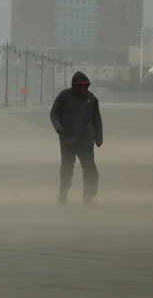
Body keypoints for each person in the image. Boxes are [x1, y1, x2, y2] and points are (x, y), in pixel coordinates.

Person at [50, 71, 103, 206]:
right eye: (81, 86)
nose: (84, 89)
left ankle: (88, 197)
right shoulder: (64, 96)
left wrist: (99, 137)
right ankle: (63, 192)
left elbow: (97, 120)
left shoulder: (92, 99)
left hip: (86, 141)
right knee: (67, 169)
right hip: (68, 141)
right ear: (75, 85)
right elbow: (54, 113)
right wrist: (59, 128)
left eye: (86, 86)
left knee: (90, 170)